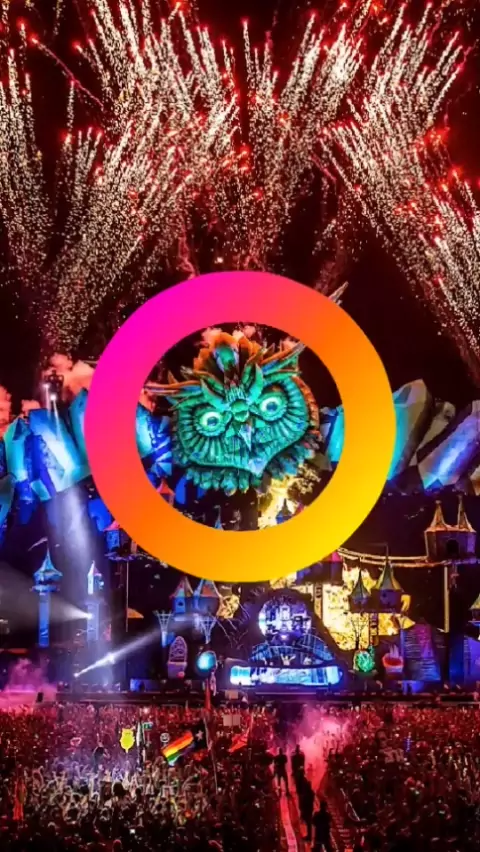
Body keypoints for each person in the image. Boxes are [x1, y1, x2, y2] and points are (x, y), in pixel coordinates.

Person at [300, 777, 315, 843]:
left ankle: (309, 836)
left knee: (308, 823)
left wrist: (302, 811)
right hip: (309, 809)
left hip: (307, 810)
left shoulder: (307, 794)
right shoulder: (311, 793)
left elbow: (304, 802)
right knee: (308, 823)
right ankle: (309, 836)